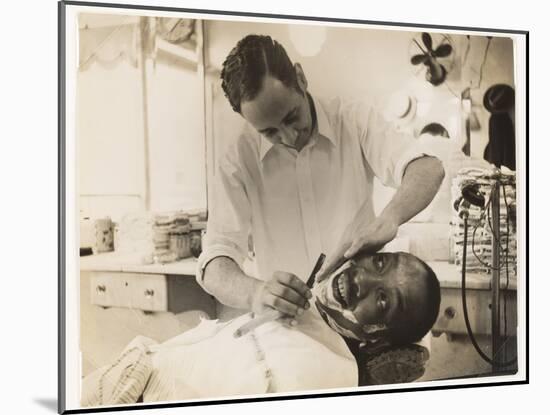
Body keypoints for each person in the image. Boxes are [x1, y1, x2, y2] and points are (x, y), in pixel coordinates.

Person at [196, 34, 444, 367]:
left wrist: (390, 217)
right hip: (291, 339)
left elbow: (428, 168)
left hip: (362, 332)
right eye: (268, 132)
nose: (287, 137)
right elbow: (214, 264)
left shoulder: (353, 120)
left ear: (299, 77)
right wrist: (256, 292)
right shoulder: (237, 159)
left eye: (290, 117)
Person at [81, 251, 441, 406]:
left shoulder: (319, 373)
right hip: (136, 371)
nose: (362, 279)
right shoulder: (305, 312)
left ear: (378, 335)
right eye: (379, 262)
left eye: (383, 301)